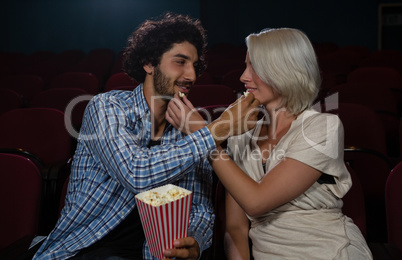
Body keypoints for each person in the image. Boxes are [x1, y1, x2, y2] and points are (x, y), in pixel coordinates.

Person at [32, 13, 259, 260]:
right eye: (180, 62)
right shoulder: (107, 107)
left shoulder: (192, 130)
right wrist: (217, 130)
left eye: (194, 66)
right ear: (149, 64)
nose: (191, 76)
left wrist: (194, 240)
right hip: (86, 248)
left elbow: (200, 209)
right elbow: (135, 172)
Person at [171, 28, 374, 259]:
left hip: (327, 248)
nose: (243, 77)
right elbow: (236, 229)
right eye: (245, 65)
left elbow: (257, 202)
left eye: (254, 67)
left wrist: (205, 137)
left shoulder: (323, 127)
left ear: (284, 71)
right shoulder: (241, 135)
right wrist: (212, 136)